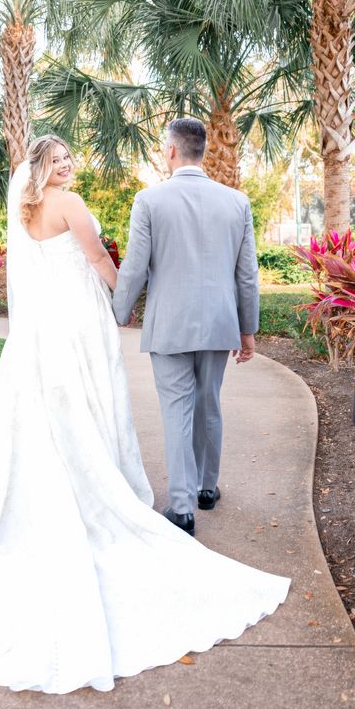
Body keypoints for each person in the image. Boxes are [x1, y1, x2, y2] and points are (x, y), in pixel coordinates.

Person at [0, 133, 290, 695]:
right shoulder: (216, 202)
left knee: (127, 409)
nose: (68, 165)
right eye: (59, 160)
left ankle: (180, 501)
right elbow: (105, 259)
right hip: (134, 322)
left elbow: (89, 266)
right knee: (175, 406)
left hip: (50, 328)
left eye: (69, 158)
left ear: (171, 153)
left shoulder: (35, 207)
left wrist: (139, 305)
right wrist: (176, 312)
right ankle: (195, 489)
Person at [113, 117, 259, 538]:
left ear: (171, 151)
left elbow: (135, 268)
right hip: (219, 323)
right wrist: (247, 329)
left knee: (177, 409)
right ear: (204, 150)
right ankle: (206, 488)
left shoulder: (149, 200)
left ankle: (182, 509)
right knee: (209, 403)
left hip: (170, 326)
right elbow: (246, 275)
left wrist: (117, 314)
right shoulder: (236, 202)